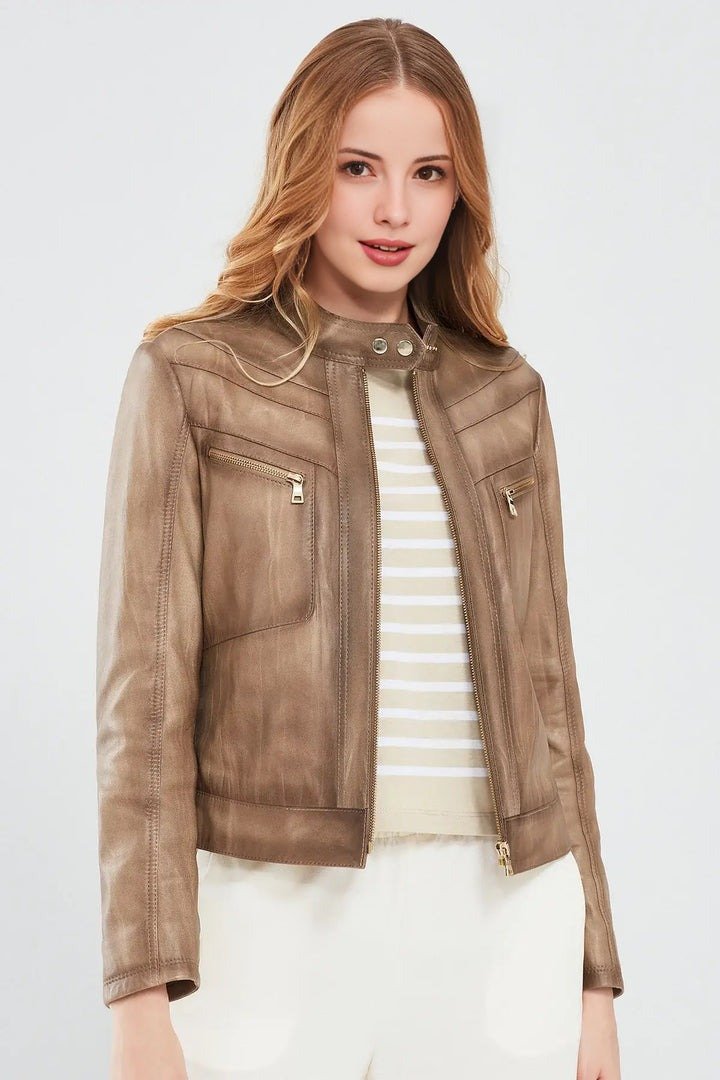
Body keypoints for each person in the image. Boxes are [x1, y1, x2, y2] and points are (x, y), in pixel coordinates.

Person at [95, 17, 624, 1080]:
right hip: (270, 915)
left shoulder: (506, 396)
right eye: (357, 168)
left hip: (506, 921)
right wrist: (140, 996)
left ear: (460, 192)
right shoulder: (196, 377)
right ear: (304, 171)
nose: (395, 210)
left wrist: (592, 978)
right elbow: (144, 710)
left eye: (429, 173)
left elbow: (553, 696)